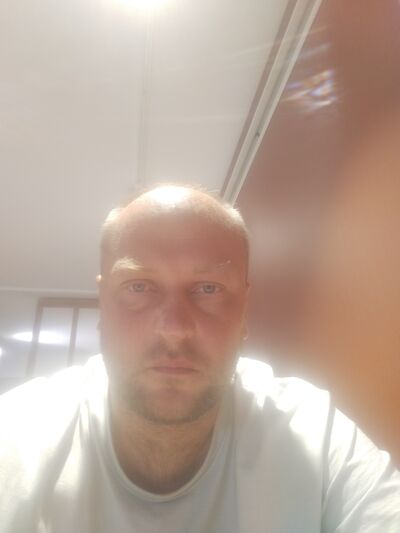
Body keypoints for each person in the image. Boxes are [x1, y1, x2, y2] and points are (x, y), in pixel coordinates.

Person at [0, 185, 399, 533]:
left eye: (208, 288)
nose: (174, 328)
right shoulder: (19, 432)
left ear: (243, 310)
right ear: (103, 303)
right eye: (139, 287)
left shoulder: (312, 435)